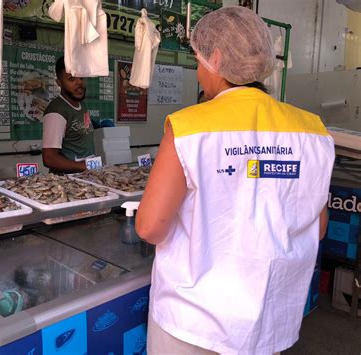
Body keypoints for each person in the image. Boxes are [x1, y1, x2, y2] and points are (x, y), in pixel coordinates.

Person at [136, 6, 335, 355]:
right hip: (267, 321)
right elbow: (316, 229)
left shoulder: (189, 126)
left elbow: (150, 227)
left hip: (193, 323)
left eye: (198, 61)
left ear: (216, 57)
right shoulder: (312, 131)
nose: (198, 73)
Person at [42, 56, 95, 173]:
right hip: (67, 184)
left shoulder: (81, 104)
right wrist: (84, 166)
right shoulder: (56, 112)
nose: (79, 83)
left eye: (81, 77)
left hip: (86, 178)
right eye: (71, 79)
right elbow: (49, 158)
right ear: (59, 83)